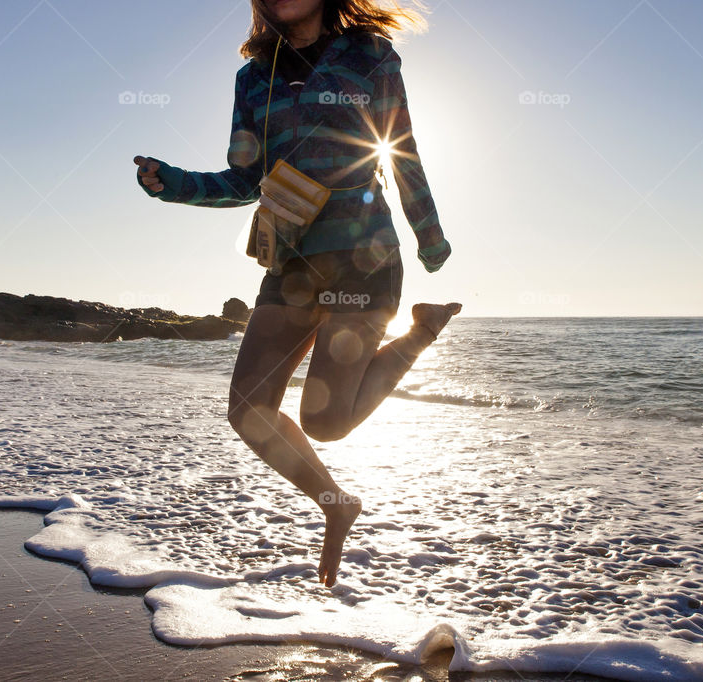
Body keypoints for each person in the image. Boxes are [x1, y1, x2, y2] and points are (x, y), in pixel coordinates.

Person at [134, 0, 461, 587]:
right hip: (290, 261)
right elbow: (242, 177)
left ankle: (419, 332)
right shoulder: (254, 76)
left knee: (326, 423)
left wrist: (429, 238)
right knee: (248, 409)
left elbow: (402, 151)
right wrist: (173, 182)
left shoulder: (370, 56)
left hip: (364, 257)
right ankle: (336, 502)